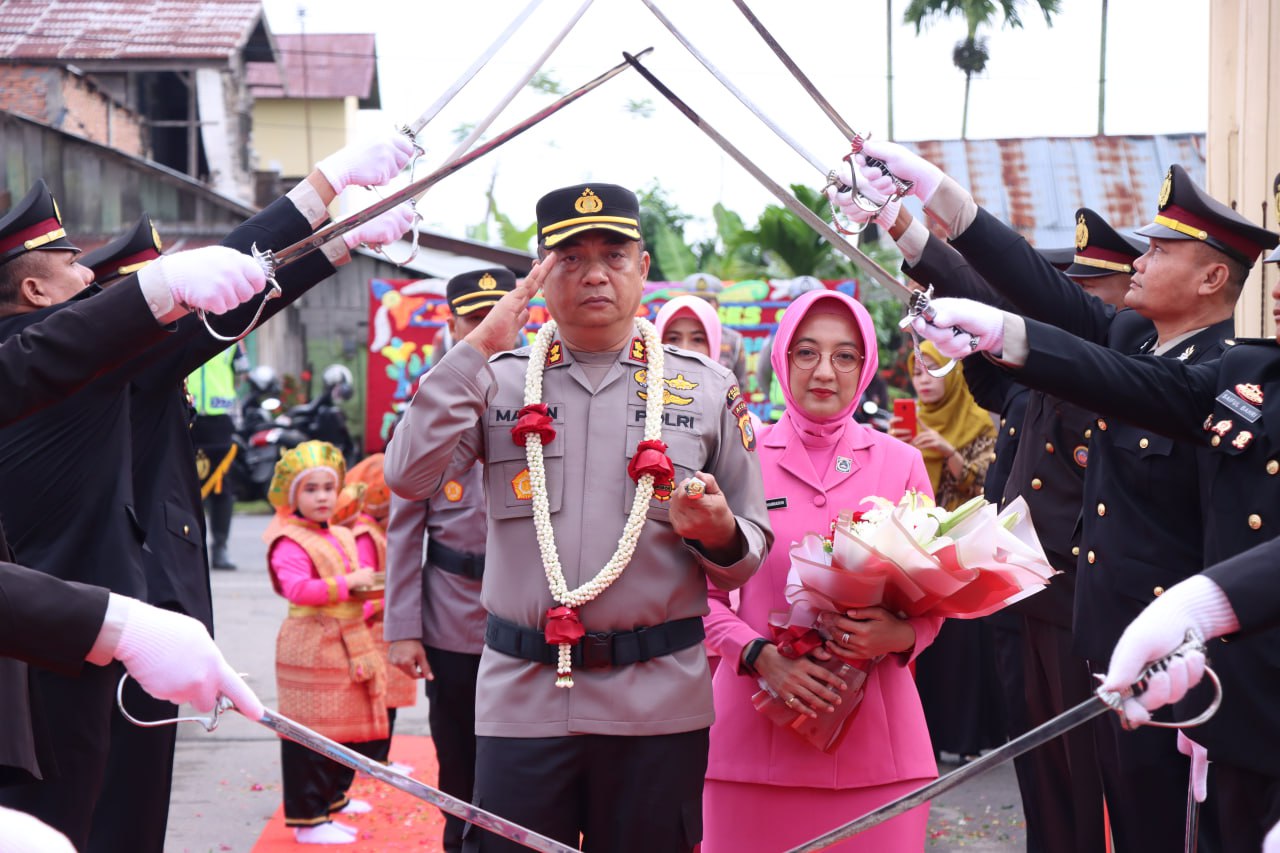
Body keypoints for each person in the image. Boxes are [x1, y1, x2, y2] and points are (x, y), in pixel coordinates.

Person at [0, 134, 414, 851]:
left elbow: (219, 308)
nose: (94, 286)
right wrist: (321, 190)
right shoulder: (47, 356)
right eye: (74, 268)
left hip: (84, 641)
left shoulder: (60, 359)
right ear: (34, 291)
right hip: (52, 653)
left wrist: (334, 240)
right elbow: (192, 319)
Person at [838, 148, 1244, 851]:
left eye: (1164, 250)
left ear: (1212, 276)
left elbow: (1071, 348)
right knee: (1066, 812)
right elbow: (1037, 291)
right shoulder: (1141, 343)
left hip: (1162, 662)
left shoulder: (1227, 376)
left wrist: (1004, 332)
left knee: (1138, 829)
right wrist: (932, 207)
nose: (1142, 259)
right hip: (1090, 632)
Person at [385, 182, 771, 853]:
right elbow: (409, 474)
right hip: (522, 703)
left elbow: (751, 548)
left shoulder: (706, 389)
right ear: (541, 270)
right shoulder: (496, 380)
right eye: (570, 256)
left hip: (657, 706)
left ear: (643, 267)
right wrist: (474, 348)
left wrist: (716, 530)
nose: (594, 272)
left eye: (613, 254)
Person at [699, 287, 937, 851]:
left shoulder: (901, 464)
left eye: (844, 355)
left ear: (865, 366)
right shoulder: (740, 457)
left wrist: (901, 634)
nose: (824, 370)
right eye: (806, 352)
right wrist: (757, 656)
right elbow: (696, 596)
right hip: (749, 746)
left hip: (881, 751)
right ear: (781, 359)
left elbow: (937, 598)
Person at [383, 267, 516, 853]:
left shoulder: (538, 394)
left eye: (499, 318)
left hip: (527, 619)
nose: (490, 332)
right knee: (458, 757)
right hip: (453, 618)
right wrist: (403, 631)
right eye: (474, 321)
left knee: (521, 765)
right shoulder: (428, 408)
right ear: (453, 324)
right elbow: (405, 531)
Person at [264, 440, 387, 845]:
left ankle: (333, 801)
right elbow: (297, 589)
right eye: (311, 489)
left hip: (344, 640)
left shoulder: (339, 533)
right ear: (292, 494)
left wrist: (366, 590)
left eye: (328, 488)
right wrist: (349, 584)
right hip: (310, 644)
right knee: (311, 735)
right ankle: (309, 819)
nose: (322, 497)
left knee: (343, 729)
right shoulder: (288, 539)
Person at [897, 341, 1003, 766]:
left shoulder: (978, 425)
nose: (923, 380)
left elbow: (987, 487)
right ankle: (925, 735)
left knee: (962, 648)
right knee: (926, 649)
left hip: (962, 554)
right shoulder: (905, 427)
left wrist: (948, 452)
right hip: (915, 554)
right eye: (917, 372)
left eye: (933, 371)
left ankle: (967, 736)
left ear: (953, 374)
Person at [339, 454, 419, 770]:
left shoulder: (378, 532)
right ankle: (374, 760)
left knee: (389, 702)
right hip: (374, 631)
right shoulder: (365, 535)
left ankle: (381, 758)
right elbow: (364, 590)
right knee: (377, 701)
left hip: (385, 628)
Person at [187, 339, 248, 570]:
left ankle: (220, 547)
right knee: (181, 482)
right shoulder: (179, 323)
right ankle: (186, 547)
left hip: (219, 416)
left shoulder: (231, 331)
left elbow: (241, 372)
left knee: (223, 486)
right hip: (184, 411)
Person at [684, 272, 750, 388]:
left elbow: (740, 383)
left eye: (707, 300)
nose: (702, 304)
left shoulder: (733, 339)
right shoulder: (672, 335)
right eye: (696, 299)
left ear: (717, 305)